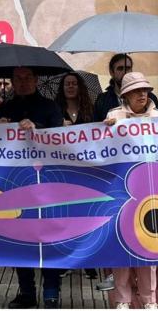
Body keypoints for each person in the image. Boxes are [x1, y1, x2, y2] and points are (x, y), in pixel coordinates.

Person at [103, 72, 158, 309]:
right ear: (126, 95)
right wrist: (105, 131)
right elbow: (102, 149)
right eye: (136, 91)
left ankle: (149, 299)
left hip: (152, 190)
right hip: (122, 190)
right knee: (121, 245)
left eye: (145, 90)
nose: (142, 94)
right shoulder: (114, 116)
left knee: (149, 245)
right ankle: (122, 299)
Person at [0, 67, 63, 309]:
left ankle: (51, 291)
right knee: (18, 238)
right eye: (18, 79)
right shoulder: (3, 108)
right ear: (12, 81)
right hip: (14, 182)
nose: (22, 83)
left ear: (36, 80)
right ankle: (26, 292)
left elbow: (63, 140)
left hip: (46, 183)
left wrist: (38, 129)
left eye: (27, 78)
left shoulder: (51, 107)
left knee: (49, 237)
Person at [54, 71, 98, 280]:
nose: (70, 87)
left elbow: (99, 134)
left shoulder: (91, 110)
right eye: (67, 84)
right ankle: (66, 260)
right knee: (65, 217)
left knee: (86, 216)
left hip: (85, 170)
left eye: (74, 84)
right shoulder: (55, 111)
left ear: (80, 87)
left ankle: (87, 261)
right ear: (62, 89)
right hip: (63, 170)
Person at [93, 54, 158, 122]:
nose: (124, 72)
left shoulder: (151, 97)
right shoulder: (102, 100)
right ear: (111, 72)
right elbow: (95, 127)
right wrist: (106, 126)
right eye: (120, 68)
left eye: (128, 68)